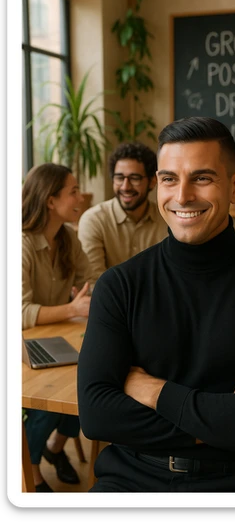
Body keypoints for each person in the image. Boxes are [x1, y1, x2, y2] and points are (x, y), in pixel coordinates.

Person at [77, 116, 235, 493]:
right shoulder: (119, 285)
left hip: (233, 483)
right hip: (127, 481)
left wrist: (154, 392)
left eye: (202, 178)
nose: (183, 195)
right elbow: (96, 416)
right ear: (158, 185)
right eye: (170, 179)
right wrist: (229, 413)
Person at [22, 163, 94, 492]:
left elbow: (88, 281)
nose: (81, 197)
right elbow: (18, 312)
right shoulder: (20, 244)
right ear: (51, 201)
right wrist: (72, 307)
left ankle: (54, 450)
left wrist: (87, 297)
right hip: (21, 347)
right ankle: (31, 470)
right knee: (46, 403)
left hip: (56, 338)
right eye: (74, 191)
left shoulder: (67, 237)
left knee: (89, 385)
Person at [77, 141, 168, 284]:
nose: (125, 186)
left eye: (134, 178)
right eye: (119, 178)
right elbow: (94, 282)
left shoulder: (168, 219)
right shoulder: (94, 220)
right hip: (112, 304)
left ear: (152, 182)